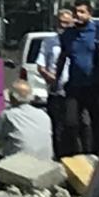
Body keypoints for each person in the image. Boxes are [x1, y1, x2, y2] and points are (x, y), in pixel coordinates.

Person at [0, 81, 54, 189]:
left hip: (16, 169)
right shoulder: (44, 115)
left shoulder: (8, 115)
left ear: (12, 98)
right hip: (44, 169)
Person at [57, 0, 99, 156]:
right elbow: (63, 57)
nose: (78, 15)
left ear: (89, 14)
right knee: (71, 122)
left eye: (82, 12)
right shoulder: (68, 35)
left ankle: (96, 155)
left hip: (95, 85)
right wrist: (57, 80)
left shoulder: (98, 30)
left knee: (98, 122)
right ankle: (78, 154)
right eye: (76, 11)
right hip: (75, 85)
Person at [36, 9, 74, 158]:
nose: (62, 25)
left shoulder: (77, 40)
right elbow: (41, 65)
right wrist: (48, 76)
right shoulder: (49, 42)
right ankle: (58, 157)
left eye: (66, 23)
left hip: (74, 90)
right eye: (60, 22)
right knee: (56, 127)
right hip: (55, 91)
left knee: (73, 125)